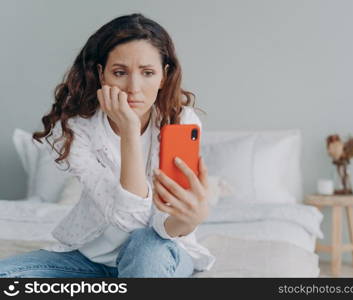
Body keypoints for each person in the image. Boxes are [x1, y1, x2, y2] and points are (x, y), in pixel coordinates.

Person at [0, 13, 215, 278]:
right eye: (120, 72)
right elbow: (127, 219)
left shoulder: (180, 122)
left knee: (145, 251)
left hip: (159, 250)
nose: (133, 88)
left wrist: (190, 219)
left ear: (163, 76)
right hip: (91, 259)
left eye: (147, 73)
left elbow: (149, 227)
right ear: (102, 74)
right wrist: (129, 131)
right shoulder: (77, 128)